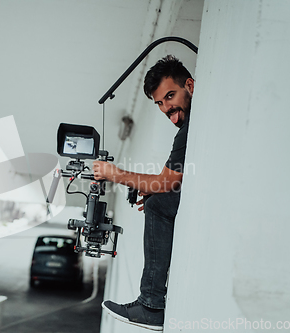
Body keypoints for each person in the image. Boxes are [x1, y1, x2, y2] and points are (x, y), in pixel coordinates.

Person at [93, 55, 194, 331]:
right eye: (160, 103)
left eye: (170, 96)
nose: (165, 108)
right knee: (157, 201)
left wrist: (114, 173)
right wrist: (154, 190)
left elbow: (165, 182)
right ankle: (150, 304)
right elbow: (168, 182)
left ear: (190, 86)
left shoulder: (189, 130)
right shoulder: (188, 129)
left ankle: (150, 306)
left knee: (158, 202)